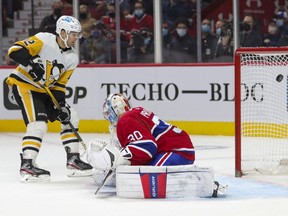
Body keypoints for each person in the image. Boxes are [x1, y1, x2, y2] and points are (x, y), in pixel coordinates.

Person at [86, 93, 226, 197]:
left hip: (176, 150)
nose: (108, 118)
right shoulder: (134, 113)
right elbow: (144, 149)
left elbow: (148, 147)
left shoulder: (126, 120)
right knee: (138, 172)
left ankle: (205, 184)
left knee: (148, 179)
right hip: (174, 147)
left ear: (117, 110)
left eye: (109, 113)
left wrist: (119, 157)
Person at [6, 15, 93, 182]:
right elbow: (14, 51)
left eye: (77, 34)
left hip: (44, 90)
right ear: (62, 32)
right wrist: (32, 64)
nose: (76, 38)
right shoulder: (44, 39)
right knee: (38, 124)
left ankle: (73, 160)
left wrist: (60, 105)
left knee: (70, 115)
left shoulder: (72, 58)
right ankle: (27, 164)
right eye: (74, 34)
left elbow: (59, 85)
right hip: (24, 85)